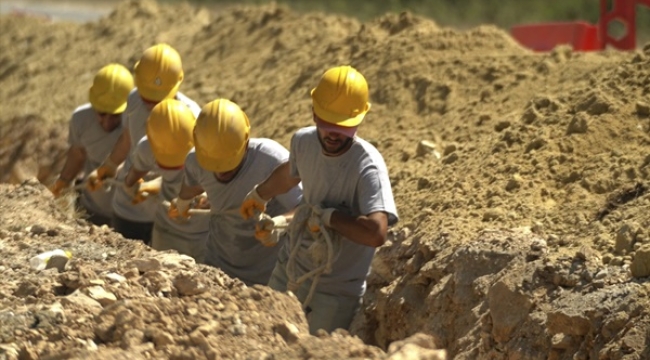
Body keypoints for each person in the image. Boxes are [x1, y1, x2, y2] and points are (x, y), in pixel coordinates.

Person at [239, 65, 398, 335]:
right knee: (263, 340)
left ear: (359, 120)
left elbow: (376, 233)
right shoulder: (303, 142)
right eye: (327, 123)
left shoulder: (367, 166)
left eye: (343, 127)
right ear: (314, 112)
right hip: (288, 272)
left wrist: (331, 217)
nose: (334, 133)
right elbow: (292, 173)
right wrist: (261, 195)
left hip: (334, 294)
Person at [169, 98, 302, 285]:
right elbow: (193, 184)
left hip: (268, 276)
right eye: (214, 165)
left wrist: (282, 223)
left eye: (228, 164)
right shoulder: (196, 160)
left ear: (246, 142)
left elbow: (305, 207)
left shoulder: (270, 161)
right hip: (218, 267)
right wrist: (183, 201)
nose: (221, 171)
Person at [86, 43, 201, 242]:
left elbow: (196, 173)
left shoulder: (191, 116)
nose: (149, 103)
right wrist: (109, 166)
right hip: (128, 208)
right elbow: (127, 139)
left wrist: (156, 186)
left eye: (157, 99)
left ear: (178, 83)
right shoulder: (133, 100)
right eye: (146, 96)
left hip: (169, 214)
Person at [123, 98, 209, 262]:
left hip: (203, 234)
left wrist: (204, 198)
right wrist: (140, 187)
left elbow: (222, 188)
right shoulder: (146, 149)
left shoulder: (207, 150)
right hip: (166, 231)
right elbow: (131, 182)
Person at [49, 63, 134, 226]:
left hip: (128, 216)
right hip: (92, 211)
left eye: (116, 115)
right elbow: (77, 155)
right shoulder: (81, 119)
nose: (108, 122)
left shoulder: (138, 123)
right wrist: (63, 182)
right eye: (102, 114)